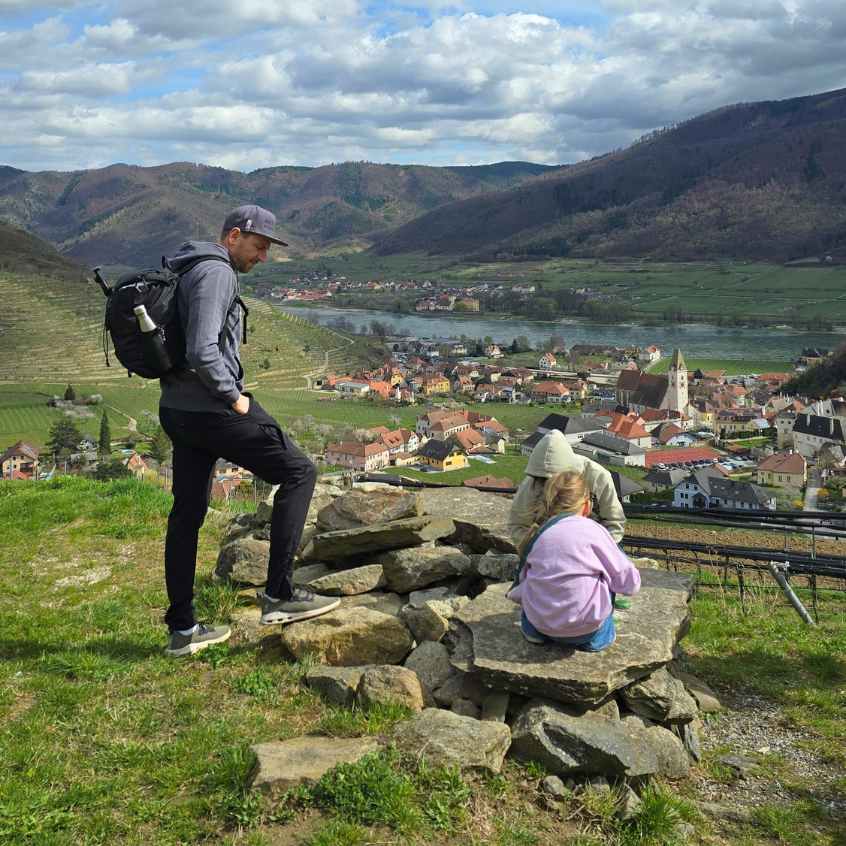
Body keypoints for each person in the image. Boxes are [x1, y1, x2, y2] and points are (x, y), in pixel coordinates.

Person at [158, 204, 339, 657]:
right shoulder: (216, 273)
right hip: (211, 410)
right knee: (299, 472)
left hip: (177, 408)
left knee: (187, 514)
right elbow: (202, 349)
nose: (262, 257)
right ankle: (279, 594)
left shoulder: (186, 266)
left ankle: (182, 630)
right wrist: (234, 397)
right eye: (259, 246)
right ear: (234, 236)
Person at [507, 470, 641, 651]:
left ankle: (533, 633)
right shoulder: (595, 531)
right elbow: (628, 582)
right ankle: (595, 642)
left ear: (547, 504)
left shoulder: (537, 535)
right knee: (607, 577)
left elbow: (522, 582)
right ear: (586, 506)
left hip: (542, 625)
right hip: (585, 629)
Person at [508, 429, 626, 548]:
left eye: (553, 480)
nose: (548, 486)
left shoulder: (597, 477)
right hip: (547, 546)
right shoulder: (532, 483)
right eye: (544, 480)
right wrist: (539, 549)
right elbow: (518, 525)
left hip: (595, 544)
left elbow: (614, 523)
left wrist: (594, 553)